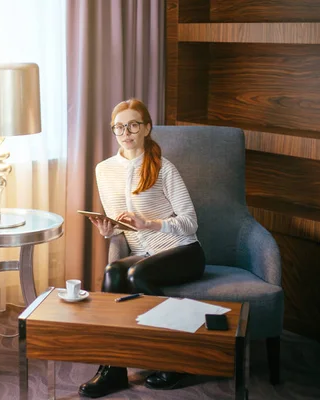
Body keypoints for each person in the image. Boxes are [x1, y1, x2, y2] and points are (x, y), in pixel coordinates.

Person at [78, 98, 206, 398]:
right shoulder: (104, 170)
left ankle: (174, 360)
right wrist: (110, 232)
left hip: (184, 251)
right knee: (112, 274)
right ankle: (113, 369)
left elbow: (191, 222)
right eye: (119, 127)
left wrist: (151, 223)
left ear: (147, 128)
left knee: (138, 276)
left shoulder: (164, 167)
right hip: (144, 254)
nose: (126, 132)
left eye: (133, 124)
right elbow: (121, 225)